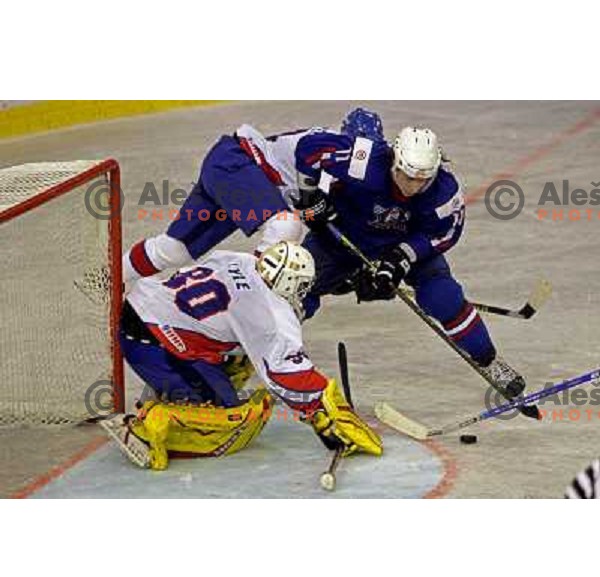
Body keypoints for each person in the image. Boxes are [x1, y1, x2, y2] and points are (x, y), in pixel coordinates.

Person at [103, 241, 382, 470]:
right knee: (233, 423)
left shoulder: (241, 259)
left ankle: (172, 388)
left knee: (240, 360)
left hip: (143, 308)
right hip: (154, 343)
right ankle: (144, 428)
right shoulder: (269, 317)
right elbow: (288, 375)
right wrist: (328, 412)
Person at [297, 126, 526, 399]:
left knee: (443, 297)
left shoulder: (444, 192)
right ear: (394, 159)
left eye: (422, 180)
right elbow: (308, 149)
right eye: (406, 176)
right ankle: (269, 353)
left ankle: (489, 361)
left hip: (403, 245)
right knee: (296, 286)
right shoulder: (364, 160)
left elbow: (444, 234)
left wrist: (400, 259)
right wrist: (311, 197)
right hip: (344, 238)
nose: (412, 186)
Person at [122, 108, 386, 282]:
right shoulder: (331, 143)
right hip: (238, 163)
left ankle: (109, 280)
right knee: (284, 226)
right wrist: (310, 199)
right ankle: (248, 299)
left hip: (233, 171)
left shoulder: (346, 173)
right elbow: (308, 164)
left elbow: (314, 217)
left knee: (175, 250)